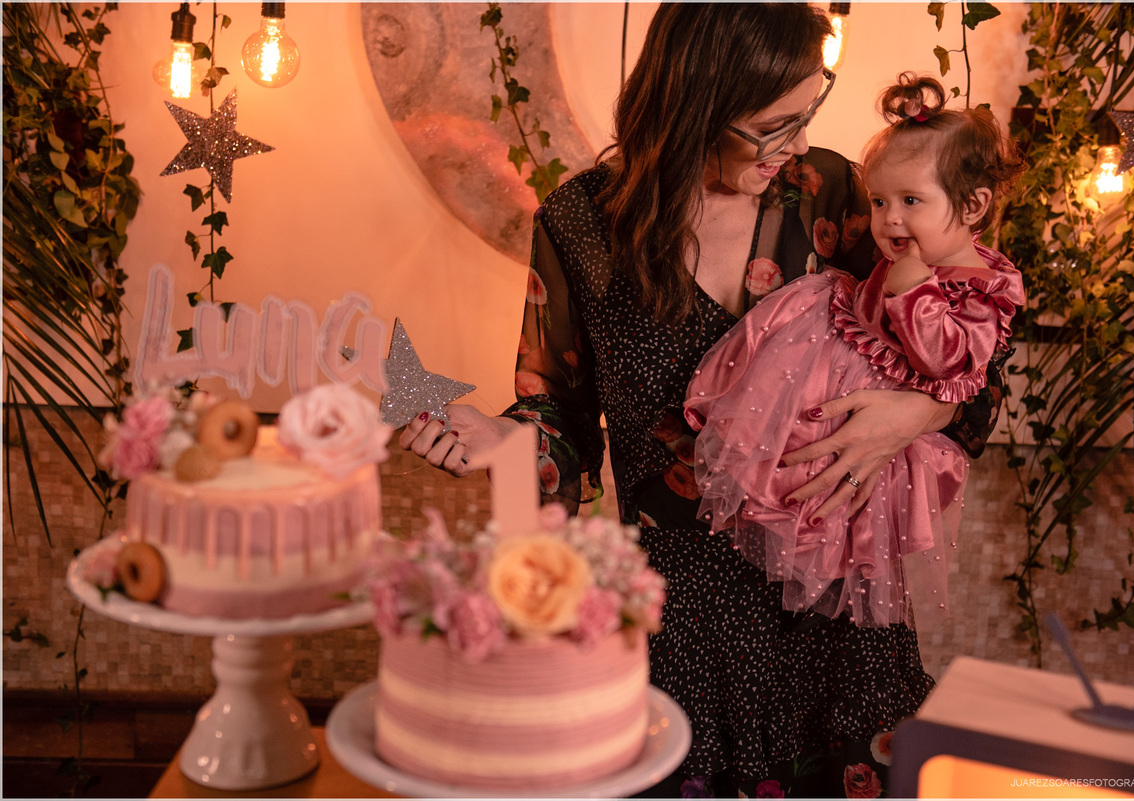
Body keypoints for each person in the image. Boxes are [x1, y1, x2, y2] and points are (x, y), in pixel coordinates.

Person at [399, 5, 1006, 796]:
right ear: (698, 104)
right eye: (773, 127)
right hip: (678, 630)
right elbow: (560, 416)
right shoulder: (582, 224)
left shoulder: (831, 195)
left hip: (837, 620)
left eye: (807, 115)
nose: (796, 145)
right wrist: (505, 443)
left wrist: (915, 414)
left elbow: (969, 349)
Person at [682, 72, 1025, 630]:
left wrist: (914, 293)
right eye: (880, 200)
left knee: (836, 492)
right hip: (841, 368)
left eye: (910, 201)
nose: (889, 219)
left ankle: (798, 527)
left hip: (879, 414)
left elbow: (956, 367)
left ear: (973, 206)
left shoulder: (982, 287)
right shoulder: (907, 251)